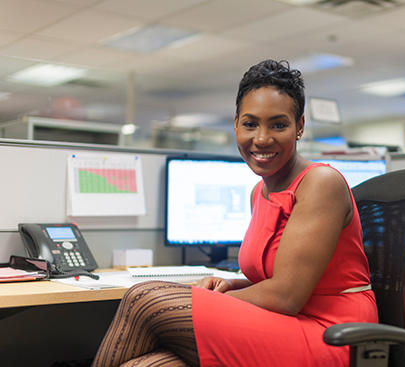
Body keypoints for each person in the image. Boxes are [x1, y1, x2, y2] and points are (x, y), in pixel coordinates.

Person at [92, 59, 378, 367]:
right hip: (284, 323)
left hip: (333, 335)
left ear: (300, 127)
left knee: (143, 299)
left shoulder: (320, 183)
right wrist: (233, 284)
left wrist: (211, 301)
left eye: (278, 124)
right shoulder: (260, 192)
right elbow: (274, 277)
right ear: (235, 125)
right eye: (250, 123)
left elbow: (286, 296)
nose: (261, 138)